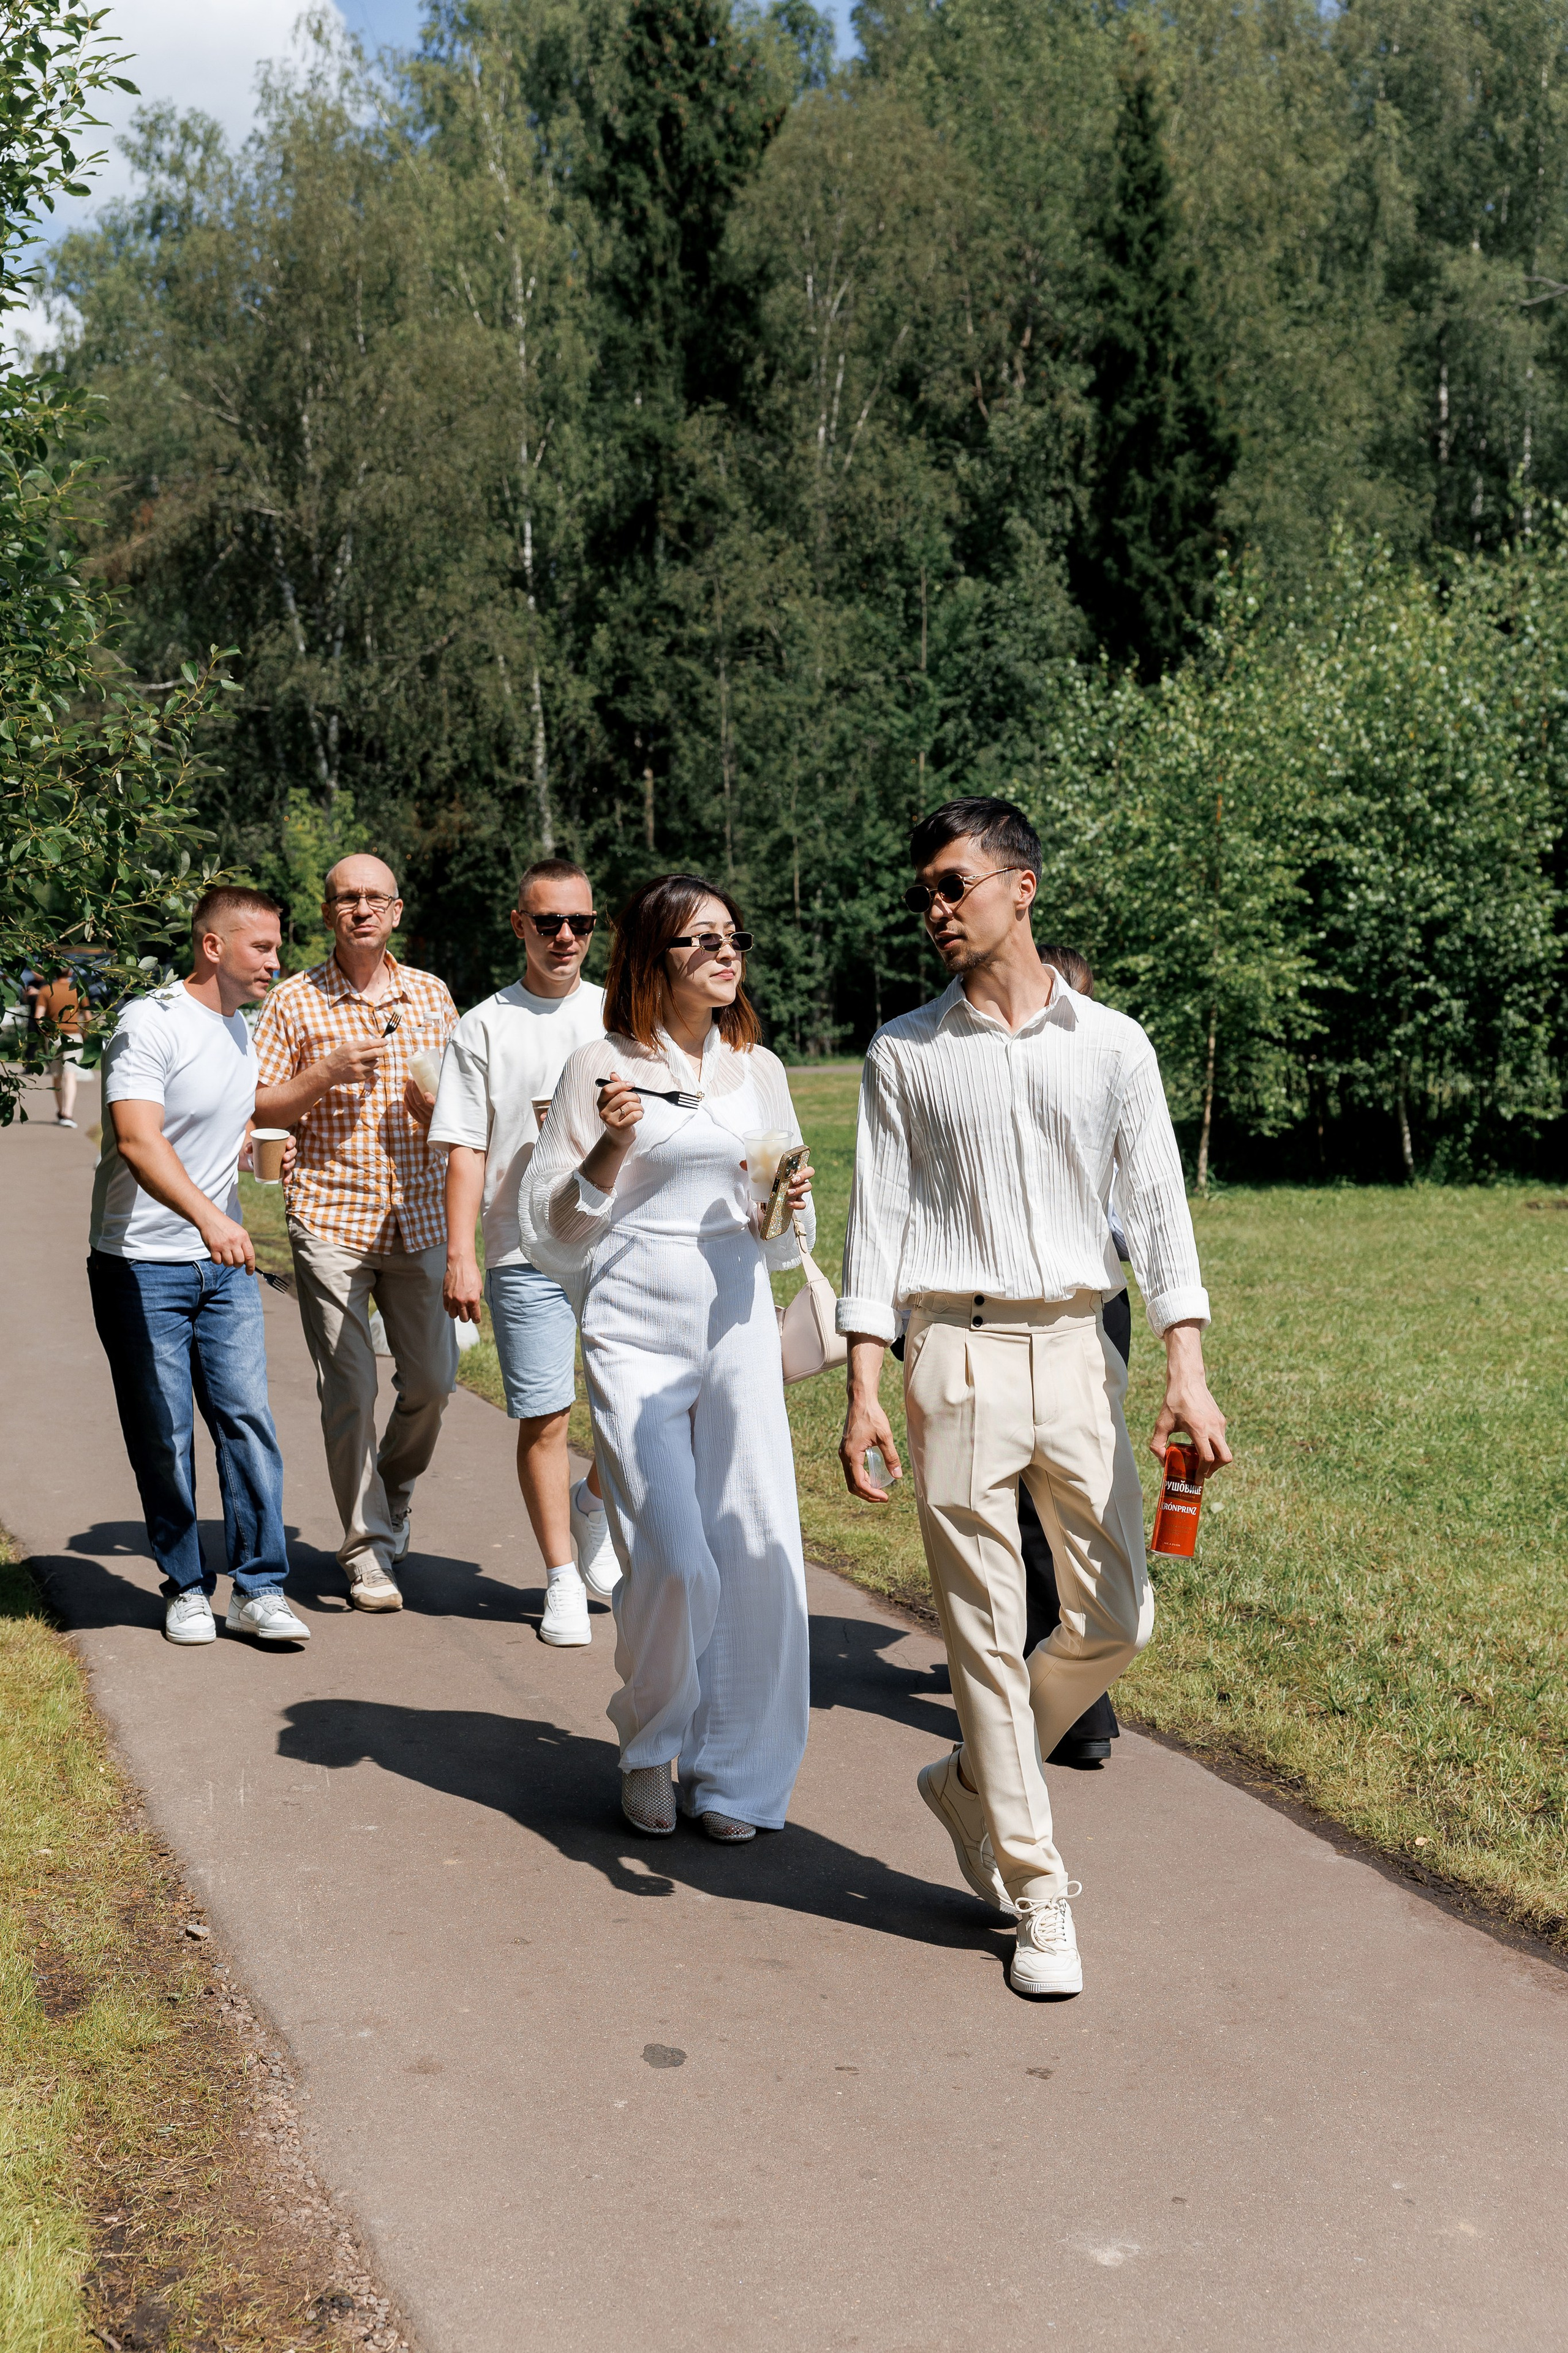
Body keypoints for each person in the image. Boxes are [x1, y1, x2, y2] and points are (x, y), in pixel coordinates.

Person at [838, 797, 1230, 1999]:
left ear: (1021, 886)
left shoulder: (1111, 1044)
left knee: (1114, 1614)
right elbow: (876, 1228)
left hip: (1075, 1351)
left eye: (954, 885)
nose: (935, 910)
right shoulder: (903, 1052)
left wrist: (1186, 1363)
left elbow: (1157, 1210)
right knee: (982, 1637)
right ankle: (1036, 1884)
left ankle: (964, 1783)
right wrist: (863, 1386)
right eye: (927, 893)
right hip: (949, 1354)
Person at [521, 874, 816, 1842]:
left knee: (760, 1551)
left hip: (737, 1328)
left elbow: (775, 1232)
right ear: (654, 960)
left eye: (733, 937)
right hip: (635, 1328)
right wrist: (609, 1147)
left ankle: (737, 1777)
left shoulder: (758, 1070)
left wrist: (785, 1203)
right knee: (680, 1560)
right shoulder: (598, 1065)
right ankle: (650, 1745)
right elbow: (552, 1229)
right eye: (702, 942)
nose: (727, 955)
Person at [88, 886, 310, 1648]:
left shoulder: (239, 1027)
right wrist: (212, 1215)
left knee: (247, 1420)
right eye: (263, 948)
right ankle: (185, 1584)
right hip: (141, 1264)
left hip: (222, 1269)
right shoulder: (148, 1021)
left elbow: (240, 1111)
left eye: (278, 947)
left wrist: (253, 1137)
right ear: (213, 946)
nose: (275, 962)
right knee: (164, 1433)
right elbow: (139, 1139)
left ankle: (260, 1588)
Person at [252, 855, 459, 1613]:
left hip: (423, 1214)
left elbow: (465, 1106)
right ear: (328, 911)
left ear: (396, 911)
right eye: (346, 898)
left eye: (374, 898)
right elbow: (261, 1106)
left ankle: (393, 1492)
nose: (361, 909)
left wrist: (444, 1114)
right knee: (350, 1388)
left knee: (434, 1383)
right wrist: (326, 1073)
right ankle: (366, 1549)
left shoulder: (432, 997)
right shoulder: (293, 1002)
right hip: (330, 1216)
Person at [431, 858, 613, 1647]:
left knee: (632, 1407)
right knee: (545, 1413)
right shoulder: (483, 1027)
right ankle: (561, 1576)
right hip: (521, 1250)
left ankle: (596, 1504)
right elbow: (465, 1149)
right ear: (519, 926)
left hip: (615, 1244)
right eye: (549, 923)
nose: (566, 937)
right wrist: (461, 1254)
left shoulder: (622, 1014)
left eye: (581, 923)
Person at [1023, 945, 1127, 1769]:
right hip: (1098, 1298)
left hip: (1067, 1306)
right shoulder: (1107, 1065)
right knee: (1074, 1496)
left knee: (1045, 1503)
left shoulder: (1102, 1070)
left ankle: (1070, 1701)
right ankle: (1073, 1691)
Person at [35, 970, 85, 1128]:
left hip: (53, 1037)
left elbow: (38, 1017)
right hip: (73, 1036)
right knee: (70, 1075)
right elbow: (88, 1015)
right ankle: (68, 1113)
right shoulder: (78, 988)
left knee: (56, 1075)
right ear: (70, 972)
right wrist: (84, 1033)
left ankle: (60, 1111)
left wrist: (46, 1034)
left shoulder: (46, 990)